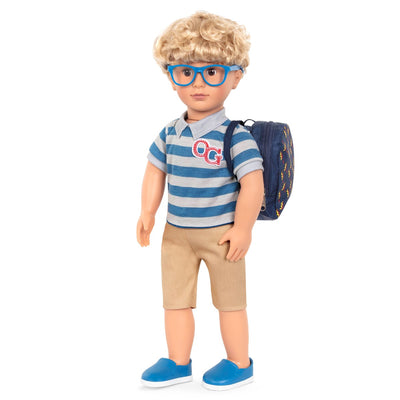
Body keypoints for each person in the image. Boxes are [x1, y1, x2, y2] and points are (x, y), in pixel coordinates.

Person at [137, 11, 264, 391]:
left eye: (212, 72)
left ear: (235, 77)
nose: (197, 84)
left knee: (230, 301)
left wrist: (243, 229)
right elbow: (155, 169)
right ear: (171, 77)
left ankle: (239, 362)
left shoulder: (235, 137)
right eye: (185, 72)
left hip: (222, 235)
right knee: (174, 300)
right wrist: (147, 211)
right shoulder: (170, 132)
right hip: (176, 234)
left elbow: (253, 183)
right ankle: (178, 361)